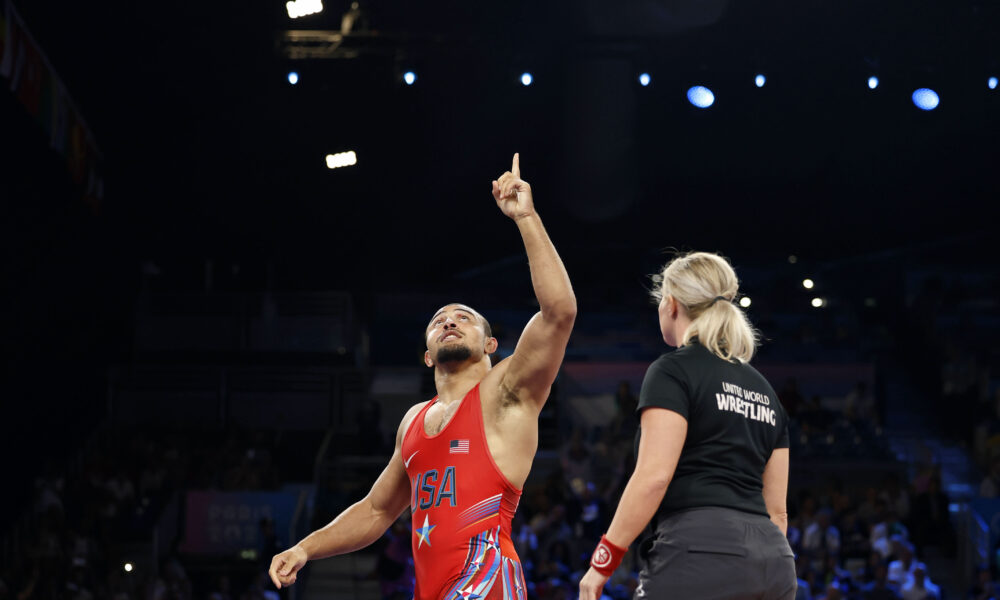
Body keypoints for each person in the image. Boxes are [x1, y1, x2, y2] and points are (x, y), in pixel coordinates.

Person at [268, 154, 576, 599]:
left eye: (464, 317)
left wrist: (525, 217)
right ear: (428, 356)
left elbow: (560, 313)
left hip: (487, 586)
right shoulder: (413, 420)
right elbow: (376, 511)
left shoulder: (507, 391)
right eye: (439, 320)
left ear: (491, 346)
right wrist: (305, 548)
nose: (450, 321)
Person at [579, 251, 796, 599]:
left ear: (671, 303)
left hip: (698, 551)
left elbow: (653, 478)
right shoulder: (766, 391)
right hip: (775, 564)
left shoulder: (672, 370)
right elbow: (778, 513)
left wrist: (601, 564)